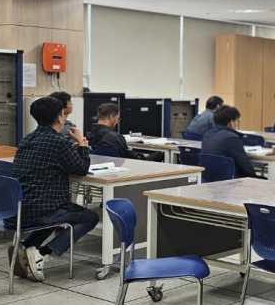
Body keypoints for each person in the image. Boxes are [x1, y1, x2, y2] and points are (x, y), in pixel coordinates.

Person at [10, 97, 99, 280]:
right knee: (90, 217)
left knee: (56, 213)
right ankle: (42, 255)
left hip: (20, 208)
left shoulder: (27, 139)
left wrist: (71, 149)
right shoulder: (59, 142)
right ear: (60, 117)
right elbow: (81, 168)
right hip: (44, 209)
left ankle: (27, 247)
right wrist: (82, 143)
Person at [87, 103, 163, 161]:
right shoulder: (114, 137)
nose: (117, 121)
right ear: (111, 117)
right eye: (117, 118)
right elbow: (129, 158)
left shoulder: (88, 135)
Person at [201, 106, 262, 179]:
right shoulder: (231, 137)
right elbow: (244, 165)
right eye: (237, 120)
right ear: (231, 122)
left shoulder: (208, 134)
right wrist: (257, 178)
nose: (238, 123)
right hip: (229, 179)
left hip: (208, 177)